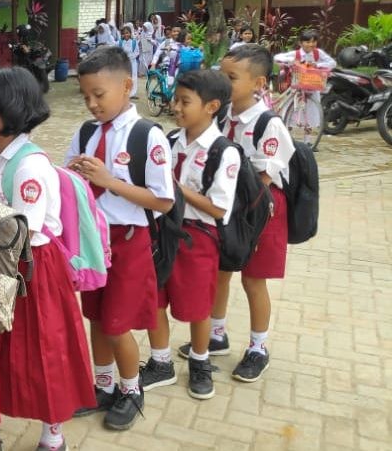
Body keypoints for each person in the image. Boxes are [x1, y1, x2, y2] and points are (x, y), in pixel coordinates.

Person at [0, 67, 95, 451]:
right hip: (1, 261)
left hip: (32, 268)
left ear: (4, 115)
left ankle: (52, 434)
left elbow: (19, 229)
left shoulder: (30, 166)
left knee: (46, 349)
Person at [64, 46, 175, 430]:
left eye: (99, 94)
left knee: (116, 323)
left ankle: (131, 390)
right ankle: (104, 385)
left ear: (127, 86)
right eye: (86, 97)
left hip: (128, 242)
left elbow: (163, 201)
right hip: (92, 242)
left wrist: (110, 181)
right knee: (96, 317)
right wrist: (71, 175)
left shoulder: (147, 136)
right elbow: (70, 183)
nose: (92, 104)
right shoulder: (86, 133)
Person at [177, 44, 295, 383]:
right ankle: (217, 334)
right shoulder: (221, 114)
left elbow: (262, 179)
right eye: (221, 74)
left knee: (253, 279)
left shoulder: (268, 124)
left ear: (258, 83)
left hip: (259, 210)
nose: (223, 82)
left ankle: (258, 347)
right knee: (220, 271)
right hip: (226, 208)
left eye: (231, 77)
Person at [140, 70, 240, 400]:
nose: (176, 107)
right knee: (155, 297)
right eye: (176, 100)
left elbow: (218, 209)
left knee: (197, 306)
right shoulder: (168, 142)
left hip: (198, 239)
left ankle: (200, 360)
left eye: (185, 102)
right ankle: (160, 362)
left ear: (211, 106)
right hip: (162, 232)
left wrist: (176, 189)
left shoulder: (223, 151)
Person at [273, 29, 336, 141]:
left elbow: (332, 63)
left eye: (313, 42)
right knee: (290, 112)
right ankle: (286, 138)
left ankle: (308, 141)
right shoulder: (296, 54)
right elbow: (277, 58)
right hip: (297, 86)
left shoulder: (317, 53)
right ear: (300, 43)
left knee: (310, 115)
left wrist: (317, 65)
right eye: (307, 42)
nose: (311, 44)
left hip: (313, 86)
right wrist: (292, 61)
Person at [118, 26, 140, 98]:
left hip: (132, 62)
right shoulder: (120, 42)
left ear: (130, 33)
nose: (126, 35)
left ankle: (132, 93)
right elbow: (118, 52)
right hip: (123, 62)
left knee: (133, 77)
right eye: (124, 33)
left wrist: (131, 57)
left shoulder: (134, 42)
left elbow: (137, 52)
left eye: (127, 33)